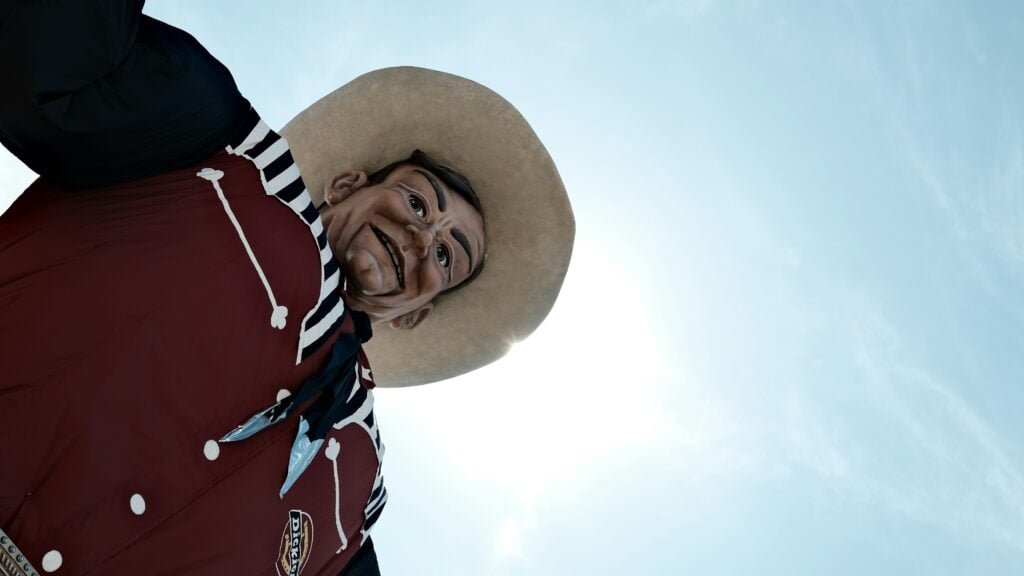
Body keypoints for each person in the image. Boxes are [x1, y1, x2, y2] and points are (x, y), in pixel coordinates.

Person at [0, 2, 573, 576]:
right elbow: (43, 59)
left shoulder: (353, 503)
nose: (423, 238)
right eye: (418, 202)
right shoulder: (212, 151)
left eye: (447, 257)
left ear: (415, 314)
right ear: (346, 184)